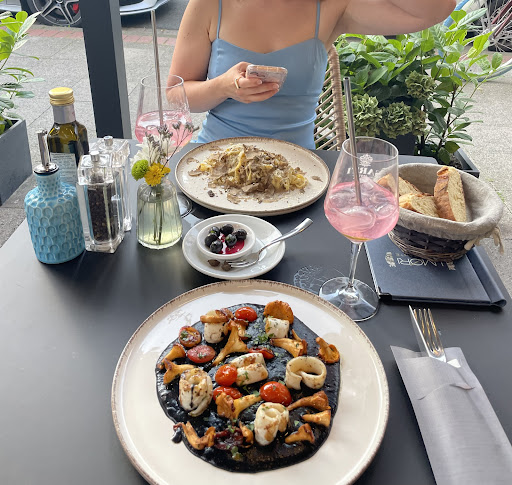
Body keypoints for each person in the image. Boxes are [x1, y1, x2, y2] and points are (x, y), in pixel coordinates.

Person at [169, 0, 456, 149]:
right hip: (214, 159)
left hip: (297, 173)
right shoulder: (209, 4)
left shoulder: (331, 6)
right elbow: (175, 94)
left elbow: (436, 9)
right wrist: (223, 86)